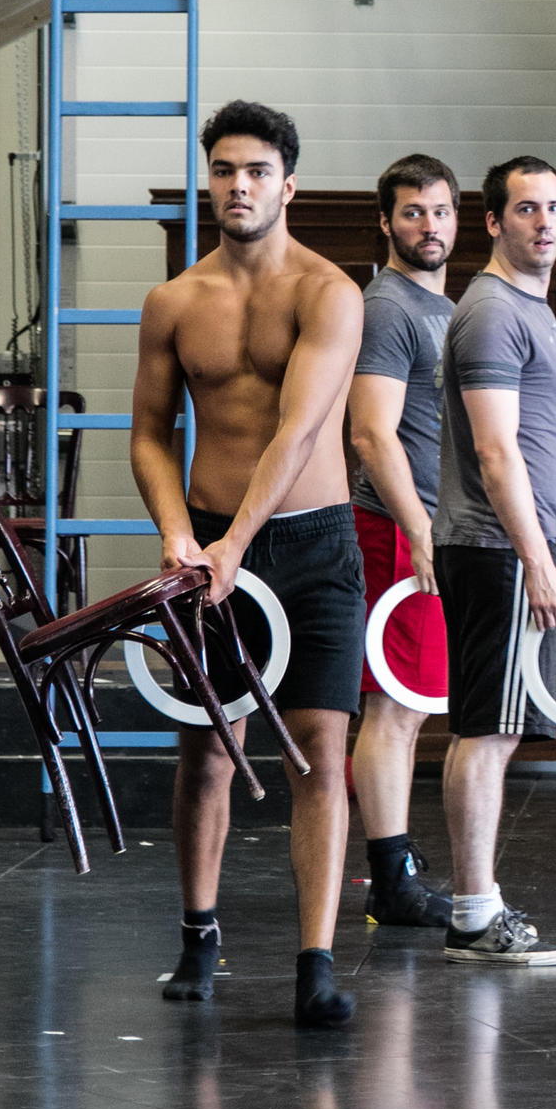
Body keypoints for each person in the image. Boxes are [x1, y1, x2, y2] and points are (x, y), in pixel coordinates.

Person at [132, 100, 368, 1026]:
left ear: (288, 184)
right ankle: (198, 934)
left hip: (310, 544)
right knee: (207, 752)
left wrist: (238, 543)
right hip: (205, 537)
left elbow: (299, 426)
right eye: (225, 169)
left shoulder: (328, 291)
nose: (239, 185)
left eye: (258, 171)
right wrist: (179, 533)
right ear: (210, 179)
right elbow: (148, 433)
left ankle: (315, 960)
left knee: (320, 753)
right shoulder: (175, 301)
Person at [428, 154, 556, 969]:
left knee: (496, 730)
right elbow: (494, 452)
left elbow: (541, 444)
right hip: (495, 548)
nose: (545, 222)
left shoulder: (530, 306)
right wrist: (539, 559)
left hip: (522, 547)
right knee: (485, 731)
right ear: (492, 222)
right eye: (526, 209)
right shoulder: (491, 311)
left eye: (555, 207)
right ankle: (472, 913)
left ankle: (475, 906)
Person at [347, 153, 460, 931]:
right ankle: (392, 880)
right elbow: (369, 431)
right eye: (413, 212)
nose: (429, 225)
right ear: (386, 222)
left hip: (427, 527)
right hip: (397, 529)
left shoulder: (445, 311)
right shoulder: (387, 306)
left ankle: (397, 868)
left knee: (409, 710)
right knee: (391, 709)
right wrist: (420, 531)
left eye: (441, 211)